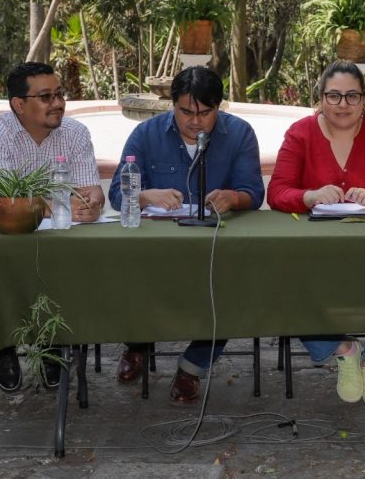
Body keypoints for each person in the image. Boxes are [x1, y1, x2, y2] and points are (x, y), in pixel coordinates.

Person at [267, 60, 365, 406]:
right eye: (333, 96)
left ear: (364, 98)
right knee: (279, 277)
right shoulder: (300, 133)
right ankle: (343, 349)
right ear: (321, 97)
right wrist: (308, 196)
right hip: (313, 251)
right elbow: (277, 192)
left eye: (352, 96)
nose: (342, 104)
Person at [108, 65, 265, 404]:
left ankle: (192, 365)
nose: (195, 122)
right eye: (185, 112)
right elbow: (117, 195)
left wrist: (233, 197)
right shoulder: (146, 135)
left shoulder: (239, 134)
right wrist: (144, 195)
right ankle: (137, 344)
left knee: (238, 282)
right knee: (126, 270)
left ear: (219, 107)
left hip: (215, 249)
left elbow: (253, 193)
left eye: (205, 113)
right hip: (156, 251)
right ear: (172, 105)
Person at [0, 62, 105, 392]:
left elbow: (91, 189)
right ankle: (1, 344)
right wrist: (61, 204)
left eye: (60, 94)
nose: (58, 103)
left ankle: (53, 342)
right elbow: (3, 203)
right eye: (46, 96)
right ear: (19, 104)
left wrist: (93, 201)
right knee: (1, 275)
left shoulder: (76, 133)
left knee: (84, 269)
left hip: (57, 246)